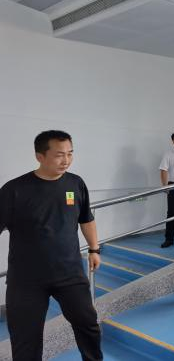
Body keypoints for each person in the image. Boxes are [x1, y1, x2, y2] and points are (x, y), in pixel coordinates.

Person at [0, 130, 103, 361]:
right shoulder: (14, 190)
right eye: (59, 155)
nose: (66, 160)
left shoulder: (76, 183)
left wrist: (94, 249)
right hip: (26, 279)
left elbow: (86, 219)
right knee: (25, 339)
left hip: (69, 273)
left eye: (70, 153)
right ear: (40, 156)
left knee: (88, 325)